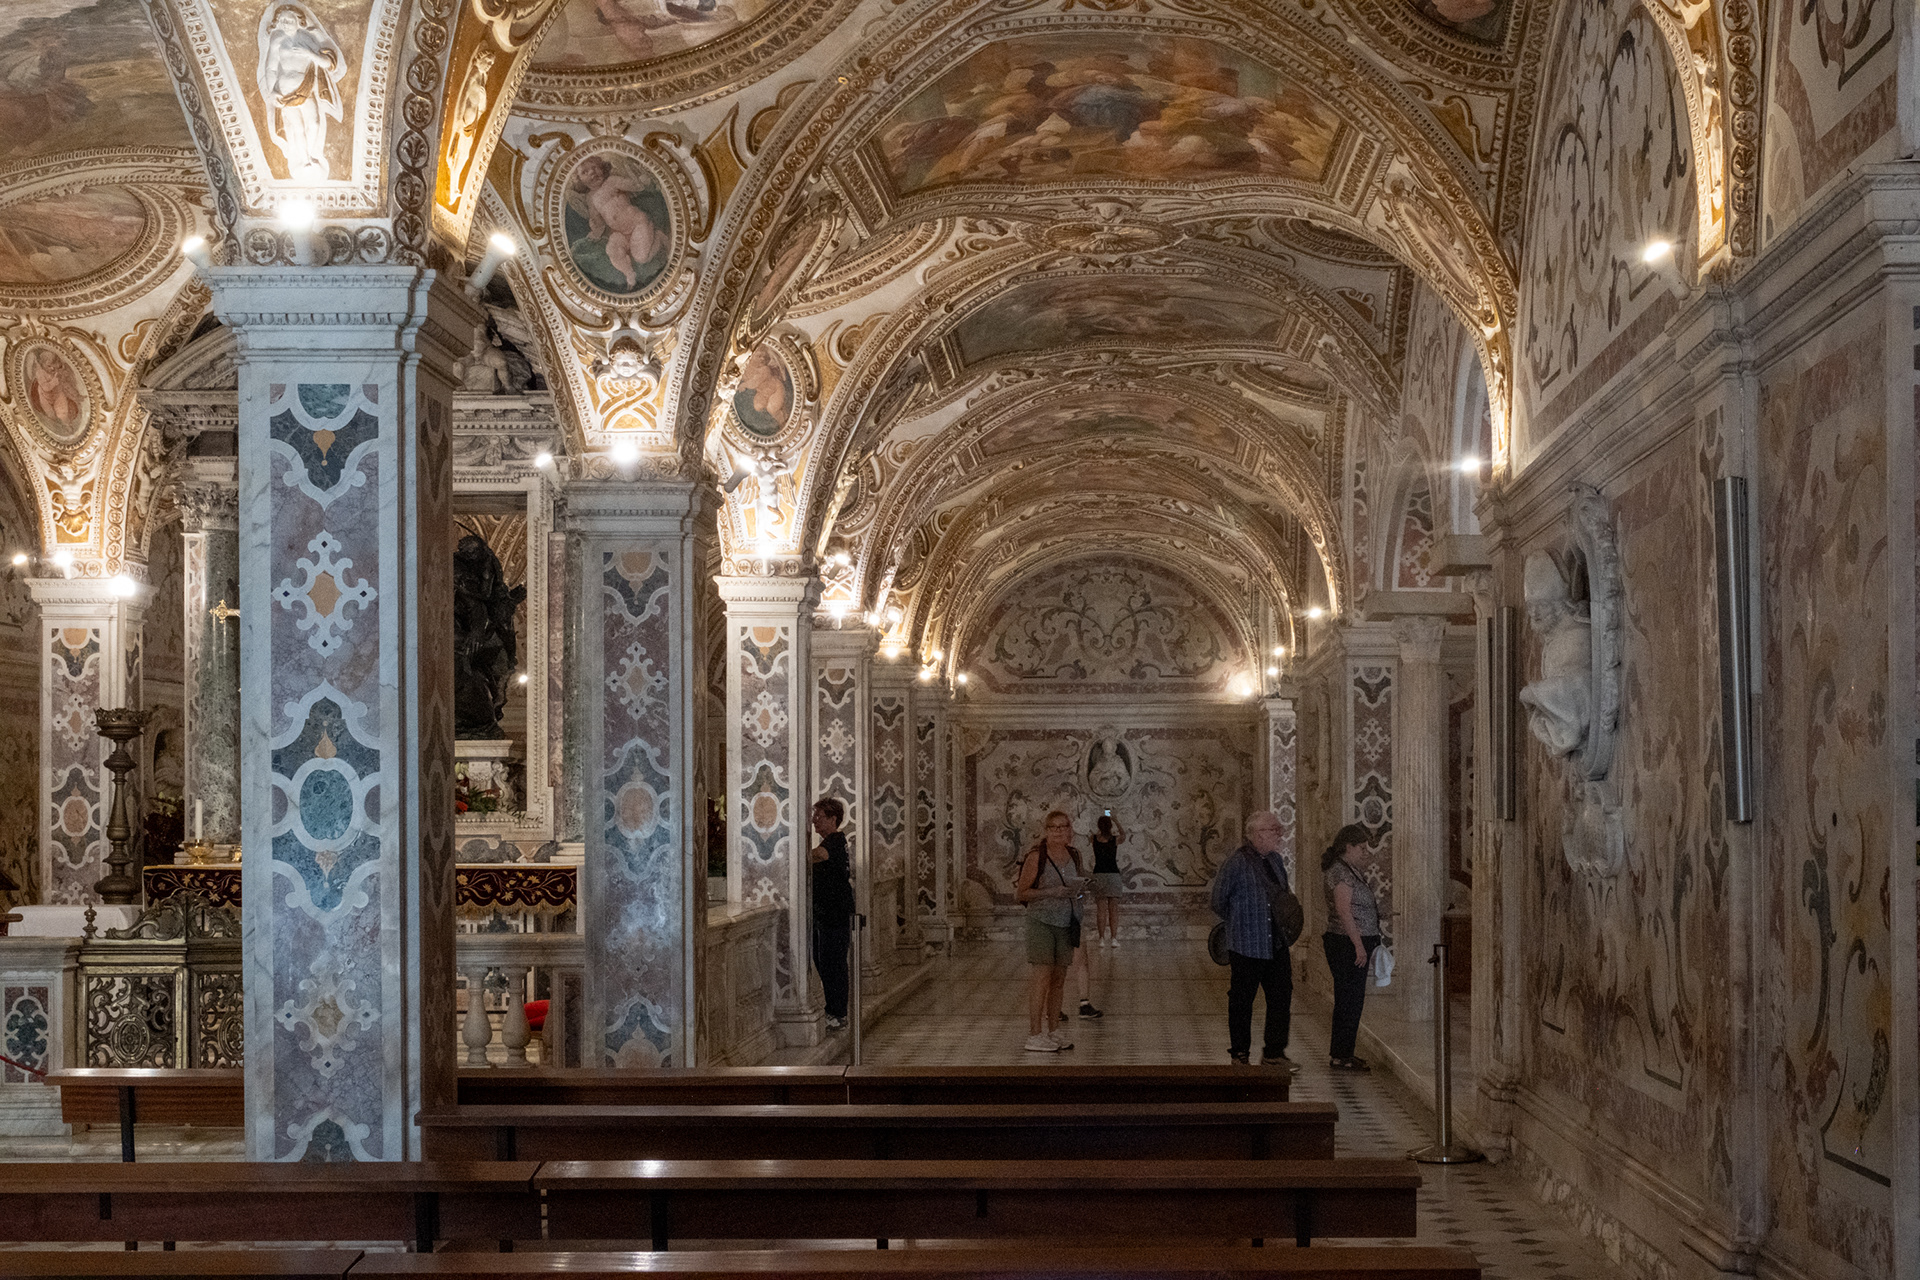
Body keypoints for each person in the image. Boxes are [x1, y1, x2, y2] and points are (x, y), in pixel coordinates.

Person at [1209, 811, 1297, 1069]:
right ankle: (1239, 1053)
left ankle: (1274, 1052)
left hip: (1275, 944)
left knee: (1281, 997)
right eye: (1274, 830)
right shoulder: (1236, 863)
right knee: (1241, 1000)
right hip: (1247, 945)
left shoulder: (1276, 861)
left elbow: (1284, 897)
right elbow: (1218, 900)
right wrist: (1241, 922)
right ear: (1257, 834)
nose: (1280, 835)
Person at [1016, 810, 1086, 1052]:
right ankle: (1035, 1034)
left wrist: (1079, 889)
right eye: (1053, 827)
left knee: (1059, 980)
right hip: (1042, 922)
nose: (1058, 831)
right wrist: (1051, 892)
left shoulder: (1074, 855)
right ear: (1046, 830)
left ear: (1070, 830)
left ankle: (1054, 1031)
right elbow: (1022, 893)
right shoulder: (1037, 857)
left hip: (1067, 922)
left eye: (1062, 826)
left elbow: (1075, 885)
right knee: (1041, 978)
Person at [1322, 823, 1382, 1071]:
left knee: (1353, 999)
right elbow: (1343, 910)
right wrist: (1358, 945)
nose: (1365, 852)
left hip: (1353, 941)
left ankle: (1344, 1052)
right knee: (1349, 999)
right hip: (1345, 944)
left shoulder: (1350, 869)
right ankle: (1341, 1055)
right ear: (1348, 847)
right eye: (1361, 847)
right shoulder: (1340, 871)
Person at [809, 798, 855, 1030]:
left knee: (833, 963)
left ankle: (837, 1012)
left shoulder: (835, 840)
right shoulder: (834, 840)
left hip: (834, 913)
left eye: (819, 817)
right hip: (827, 913)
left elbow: (817, 856)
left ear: (833, 818)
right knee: (825, 961)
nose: (814, 821)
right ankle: (834, 1010)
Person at [1089, 812, 1126, 947]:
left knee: (1101, 909)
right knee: (1113, 909)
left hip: (1098, 875)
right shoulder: (1114, 840)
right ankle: (1114, 938)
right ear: (1110, 826)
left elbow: (1095, 834)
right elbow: (1124, 835)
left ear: (1099, 826)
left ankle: (1101, 939)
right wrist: (1115, 818)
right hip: (1113, 874)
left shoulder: (1093, 838)